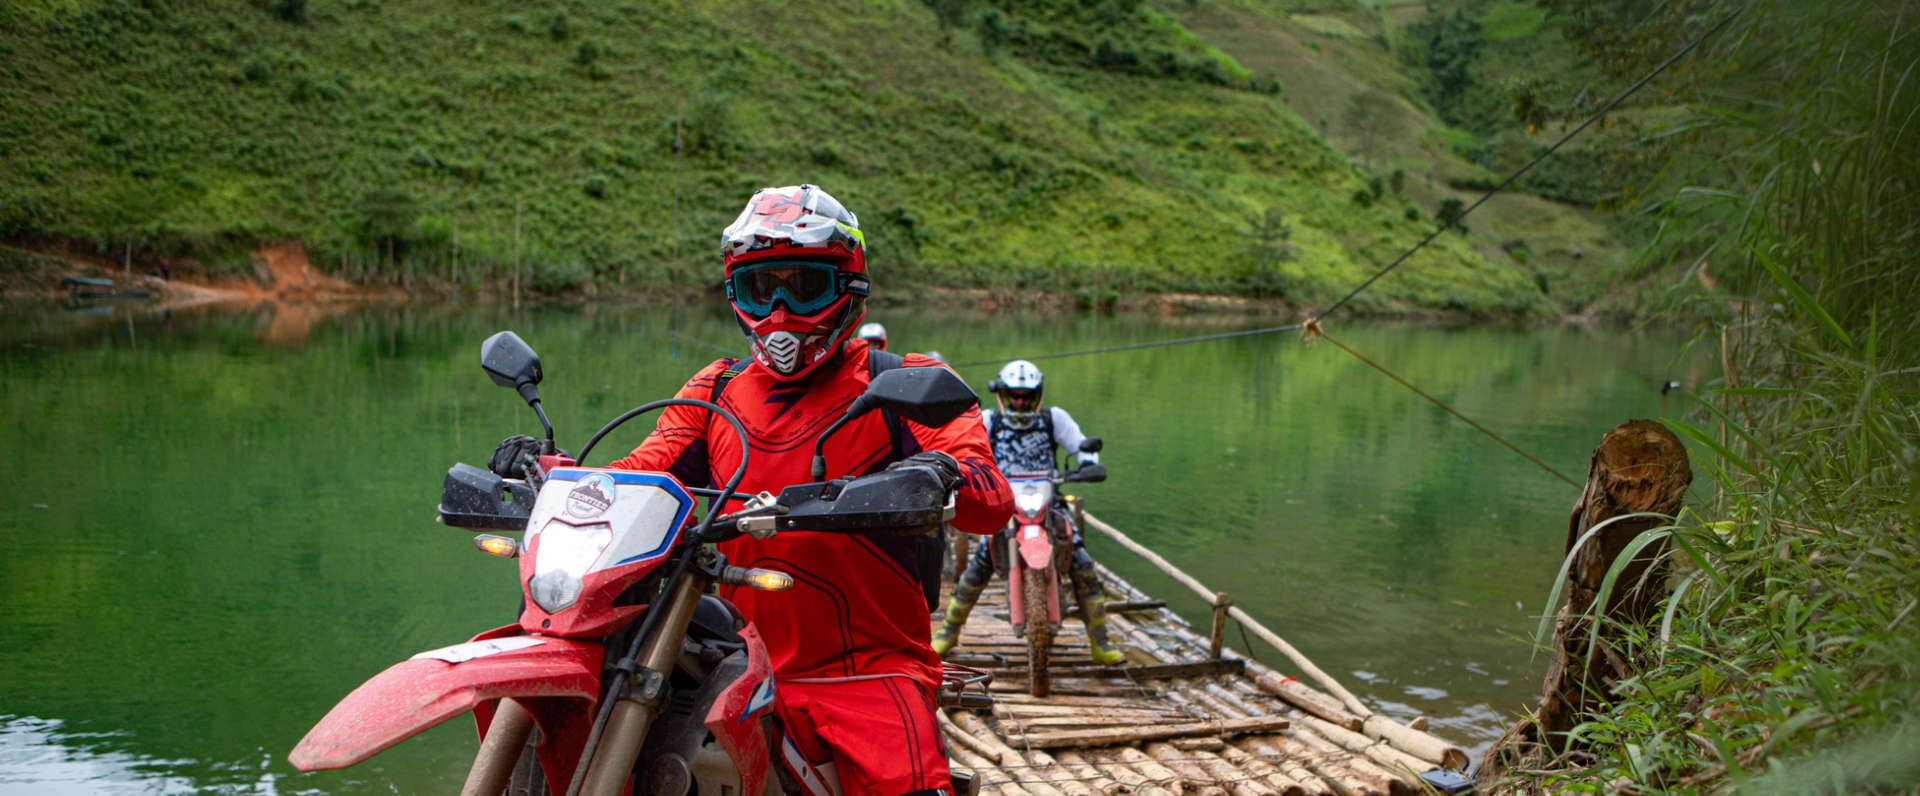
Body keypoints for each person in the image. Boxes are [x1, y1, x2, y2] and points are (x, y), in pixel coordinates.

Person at [613, 185, 1012, 796]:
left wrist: (940, 472)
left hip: (866, 670)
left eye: (803, 287)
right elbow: (640, 471)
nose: (779, 312)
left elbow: (990, 496)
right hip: (730, 659)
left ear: (849, 285)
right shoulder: (715, 389)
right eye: (760, 289)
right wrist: (560, 475)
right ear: (735, 294)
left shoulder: (905, 380)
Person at [931, 359, 1125, 665]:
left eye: (1027, 396)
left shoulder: (1053, 418)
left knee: (1084, 566)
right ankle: (948, 631)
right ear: (1003, 394)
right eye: (1015, 395)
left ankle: (1101, 640)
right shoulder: (989, 420)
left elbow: (1080, 445)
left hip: (1050, 503)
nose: (1020, 402)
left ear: (1038, 394)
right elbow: (966, 449)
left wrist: (1088, 463)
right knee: (977, 568)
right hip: (1004, 504)